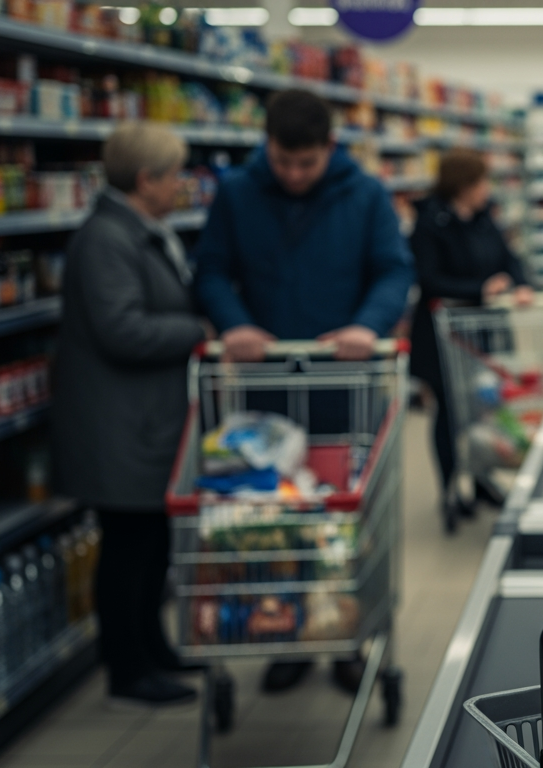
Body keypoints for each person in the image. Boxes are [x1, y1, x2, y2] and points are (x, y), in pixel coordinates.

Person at [194, 88, 414, 694]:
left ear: (329, 149)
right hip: (264, 392)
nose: (292, 174)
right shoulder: (237, 192)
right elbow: (210, 268)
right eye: (283, 161)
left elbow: (394, 269)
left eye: (306, 163)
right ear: (266, 145)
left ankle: (348, 633)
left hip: (345, 383)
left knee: (345, 514)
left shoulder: (365, 193)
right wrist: (233, 321)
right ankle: (286, 632)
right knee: (274, 515)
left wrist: (368, 325)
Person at [52, 123, 205, 706]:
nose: (181, 186)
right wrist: (198, 330)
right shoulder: (106, 241)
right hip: (117, 426)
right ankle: (128, 667)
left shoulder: (139, 231)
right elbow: (121, 330)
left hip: (144, 421)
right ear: (146, 180)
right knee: (128, 546)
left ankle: (154, 647)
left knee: (153, 541)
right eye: (174, 175)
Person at [409, 149, 532, 523]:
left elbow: (509, 257)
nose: (486, 189)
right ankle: (450, 489)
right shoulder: (430, 222)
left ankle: (480, 482)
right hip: (444, 338)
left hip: (482, 335)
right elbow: (429, 279)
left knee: (485, 409)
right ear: (462, 186)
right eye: (481, 182)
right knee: (449, 413)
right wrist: (481, 289)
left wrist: (521, 283)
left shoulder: (483, 217)